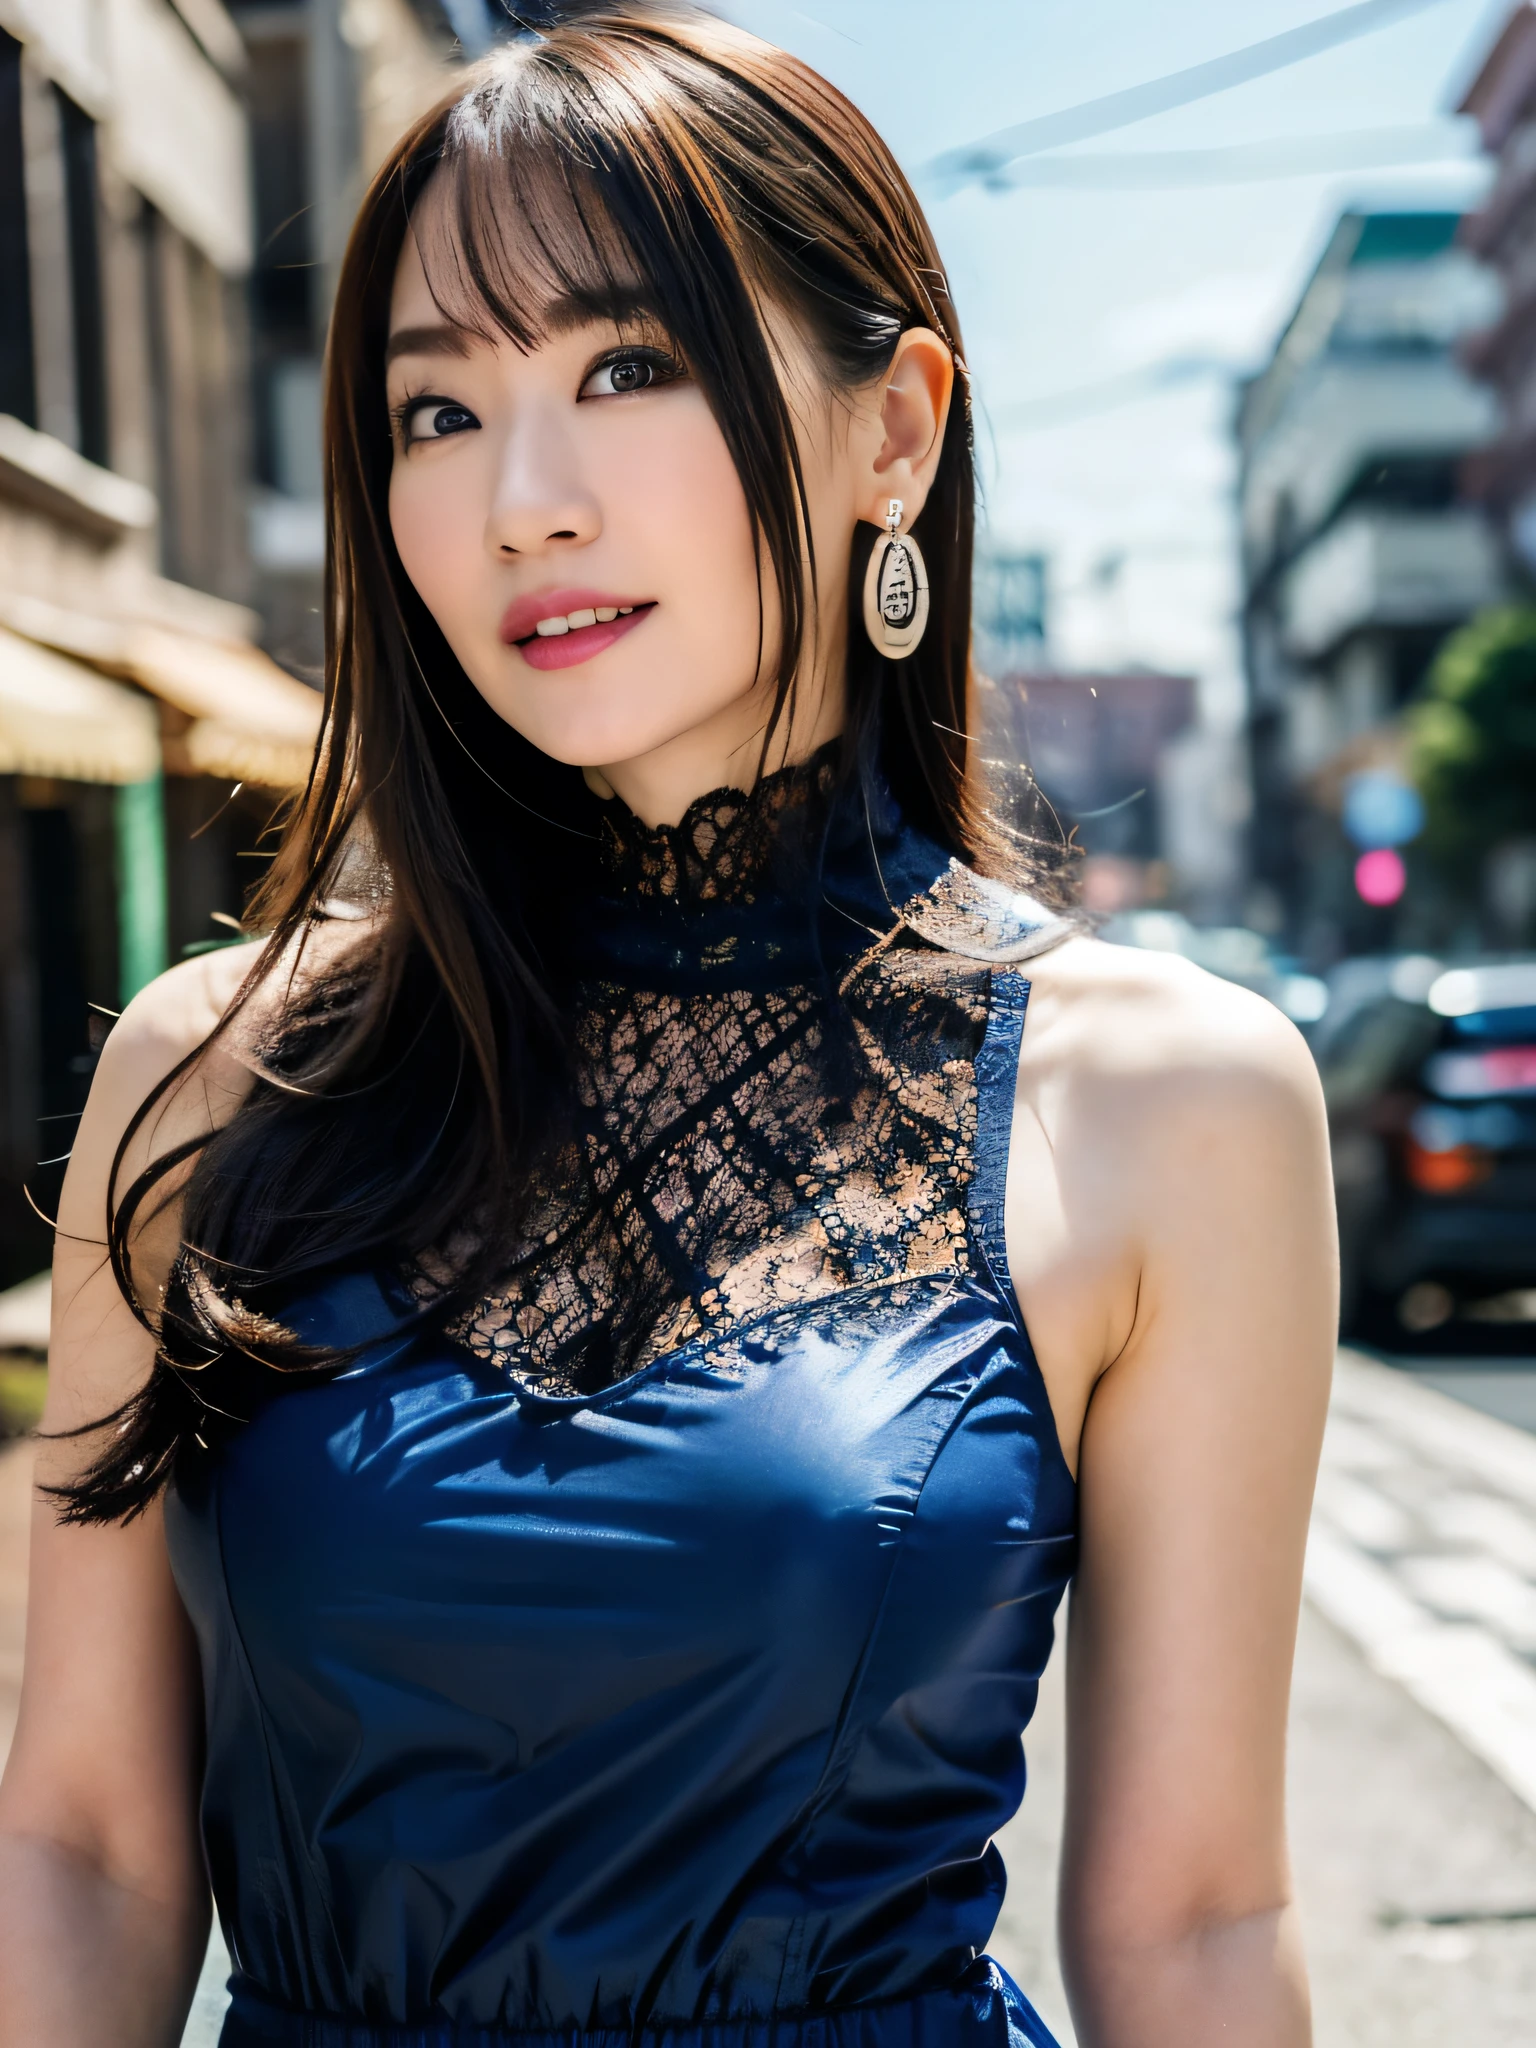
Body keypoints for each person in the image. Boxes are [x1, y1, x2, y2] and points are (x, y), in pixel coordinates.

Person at [0, 8, 1336, 2045]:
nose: (522, 499)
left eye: (627, 368)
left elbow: (1197, 1925)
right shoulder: (209, 1074)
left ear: (893, 431)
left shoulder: (1169, 1101)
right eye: (433, 410)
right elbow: (84, 1848)